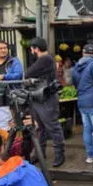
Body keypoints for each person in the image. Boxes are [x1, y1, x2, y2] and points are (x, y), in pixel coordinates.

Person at [26, 38, 65, 168]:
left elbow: (28, 73)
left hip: (46, 98)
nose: (31, 51)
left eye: (32, 48)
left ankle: (59, 154)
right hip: (39, 97)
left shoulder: (45, 59)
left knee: (52, 126)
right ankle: (40, 153)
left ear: (36, 48)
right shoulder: (44, 60)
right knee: (40, 127)